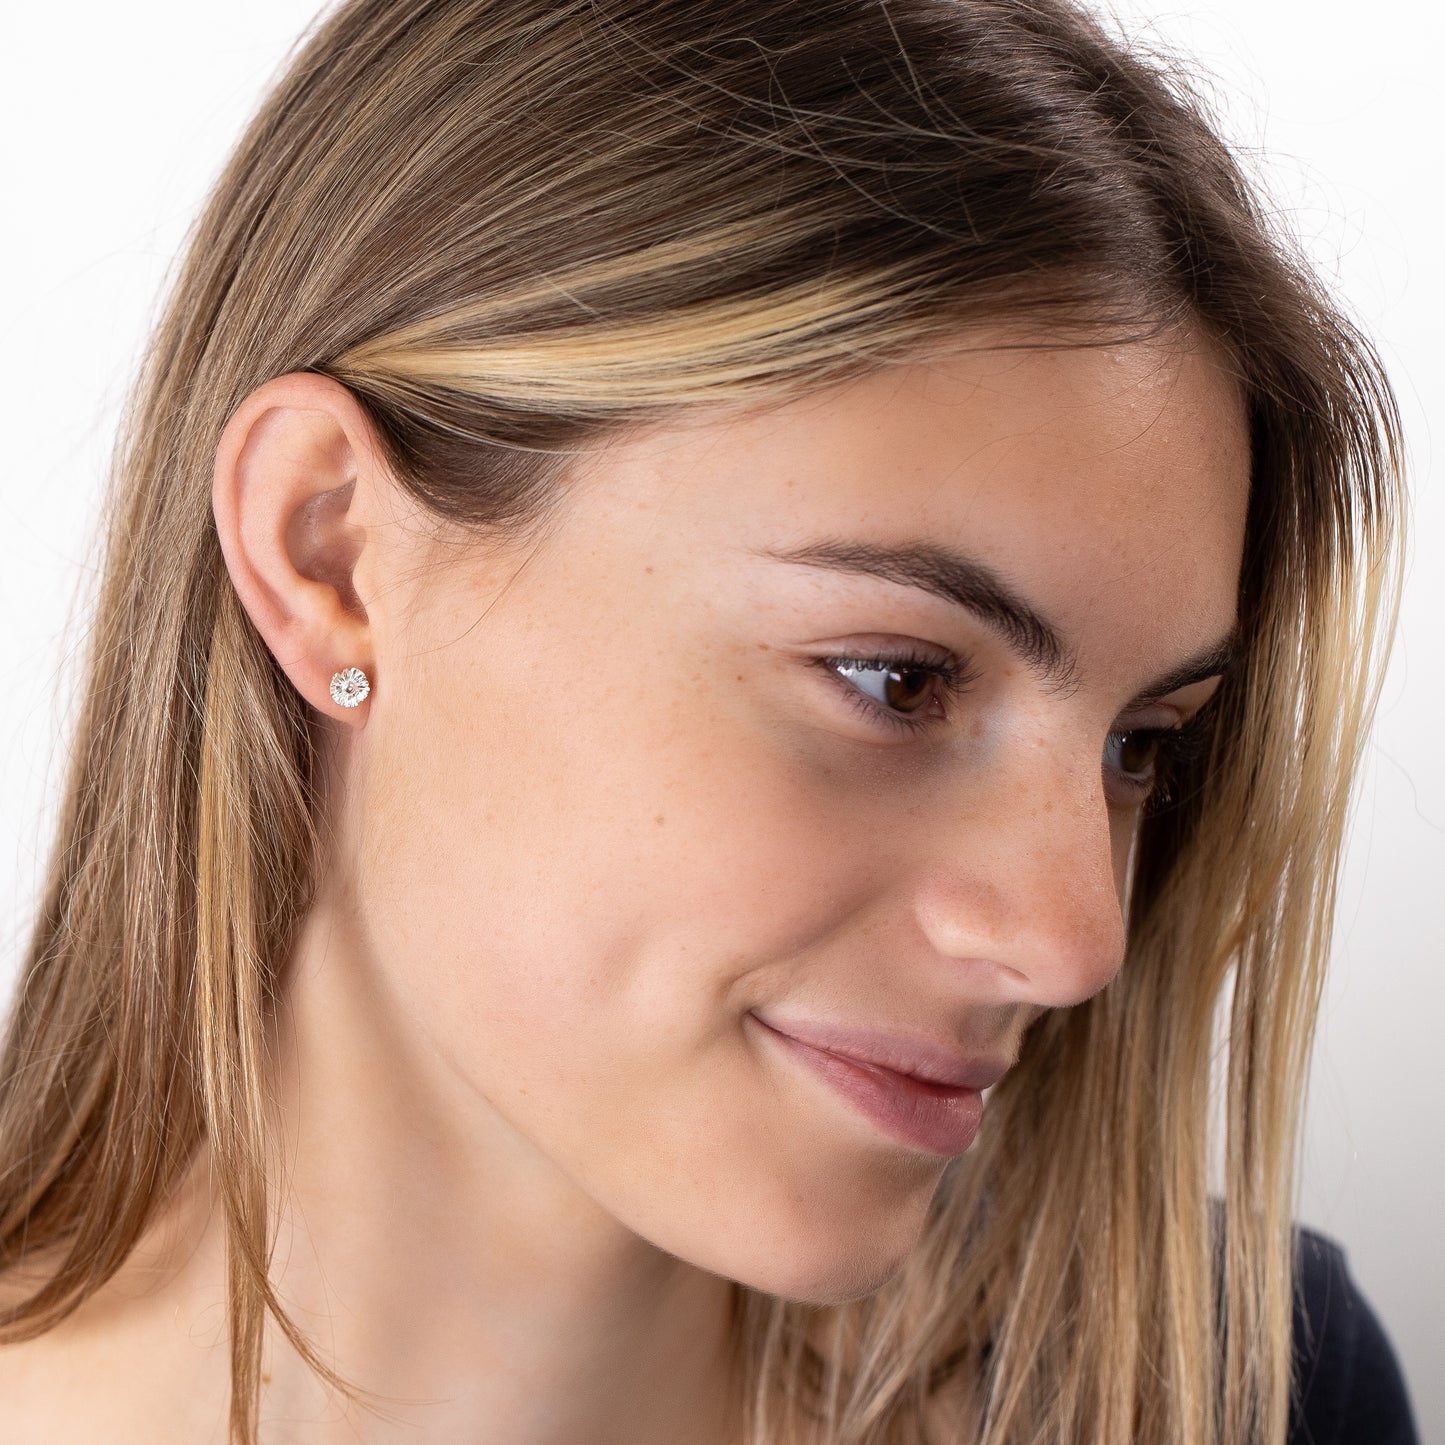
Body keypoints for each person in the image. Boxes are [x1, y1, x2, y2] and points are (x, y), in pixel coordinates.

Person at [0, 0, 1421, 1441]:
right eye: (898, 680)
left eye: (1138, 746)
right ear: (333, 556)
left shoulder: (1237, 1393)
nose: (1069, 944)